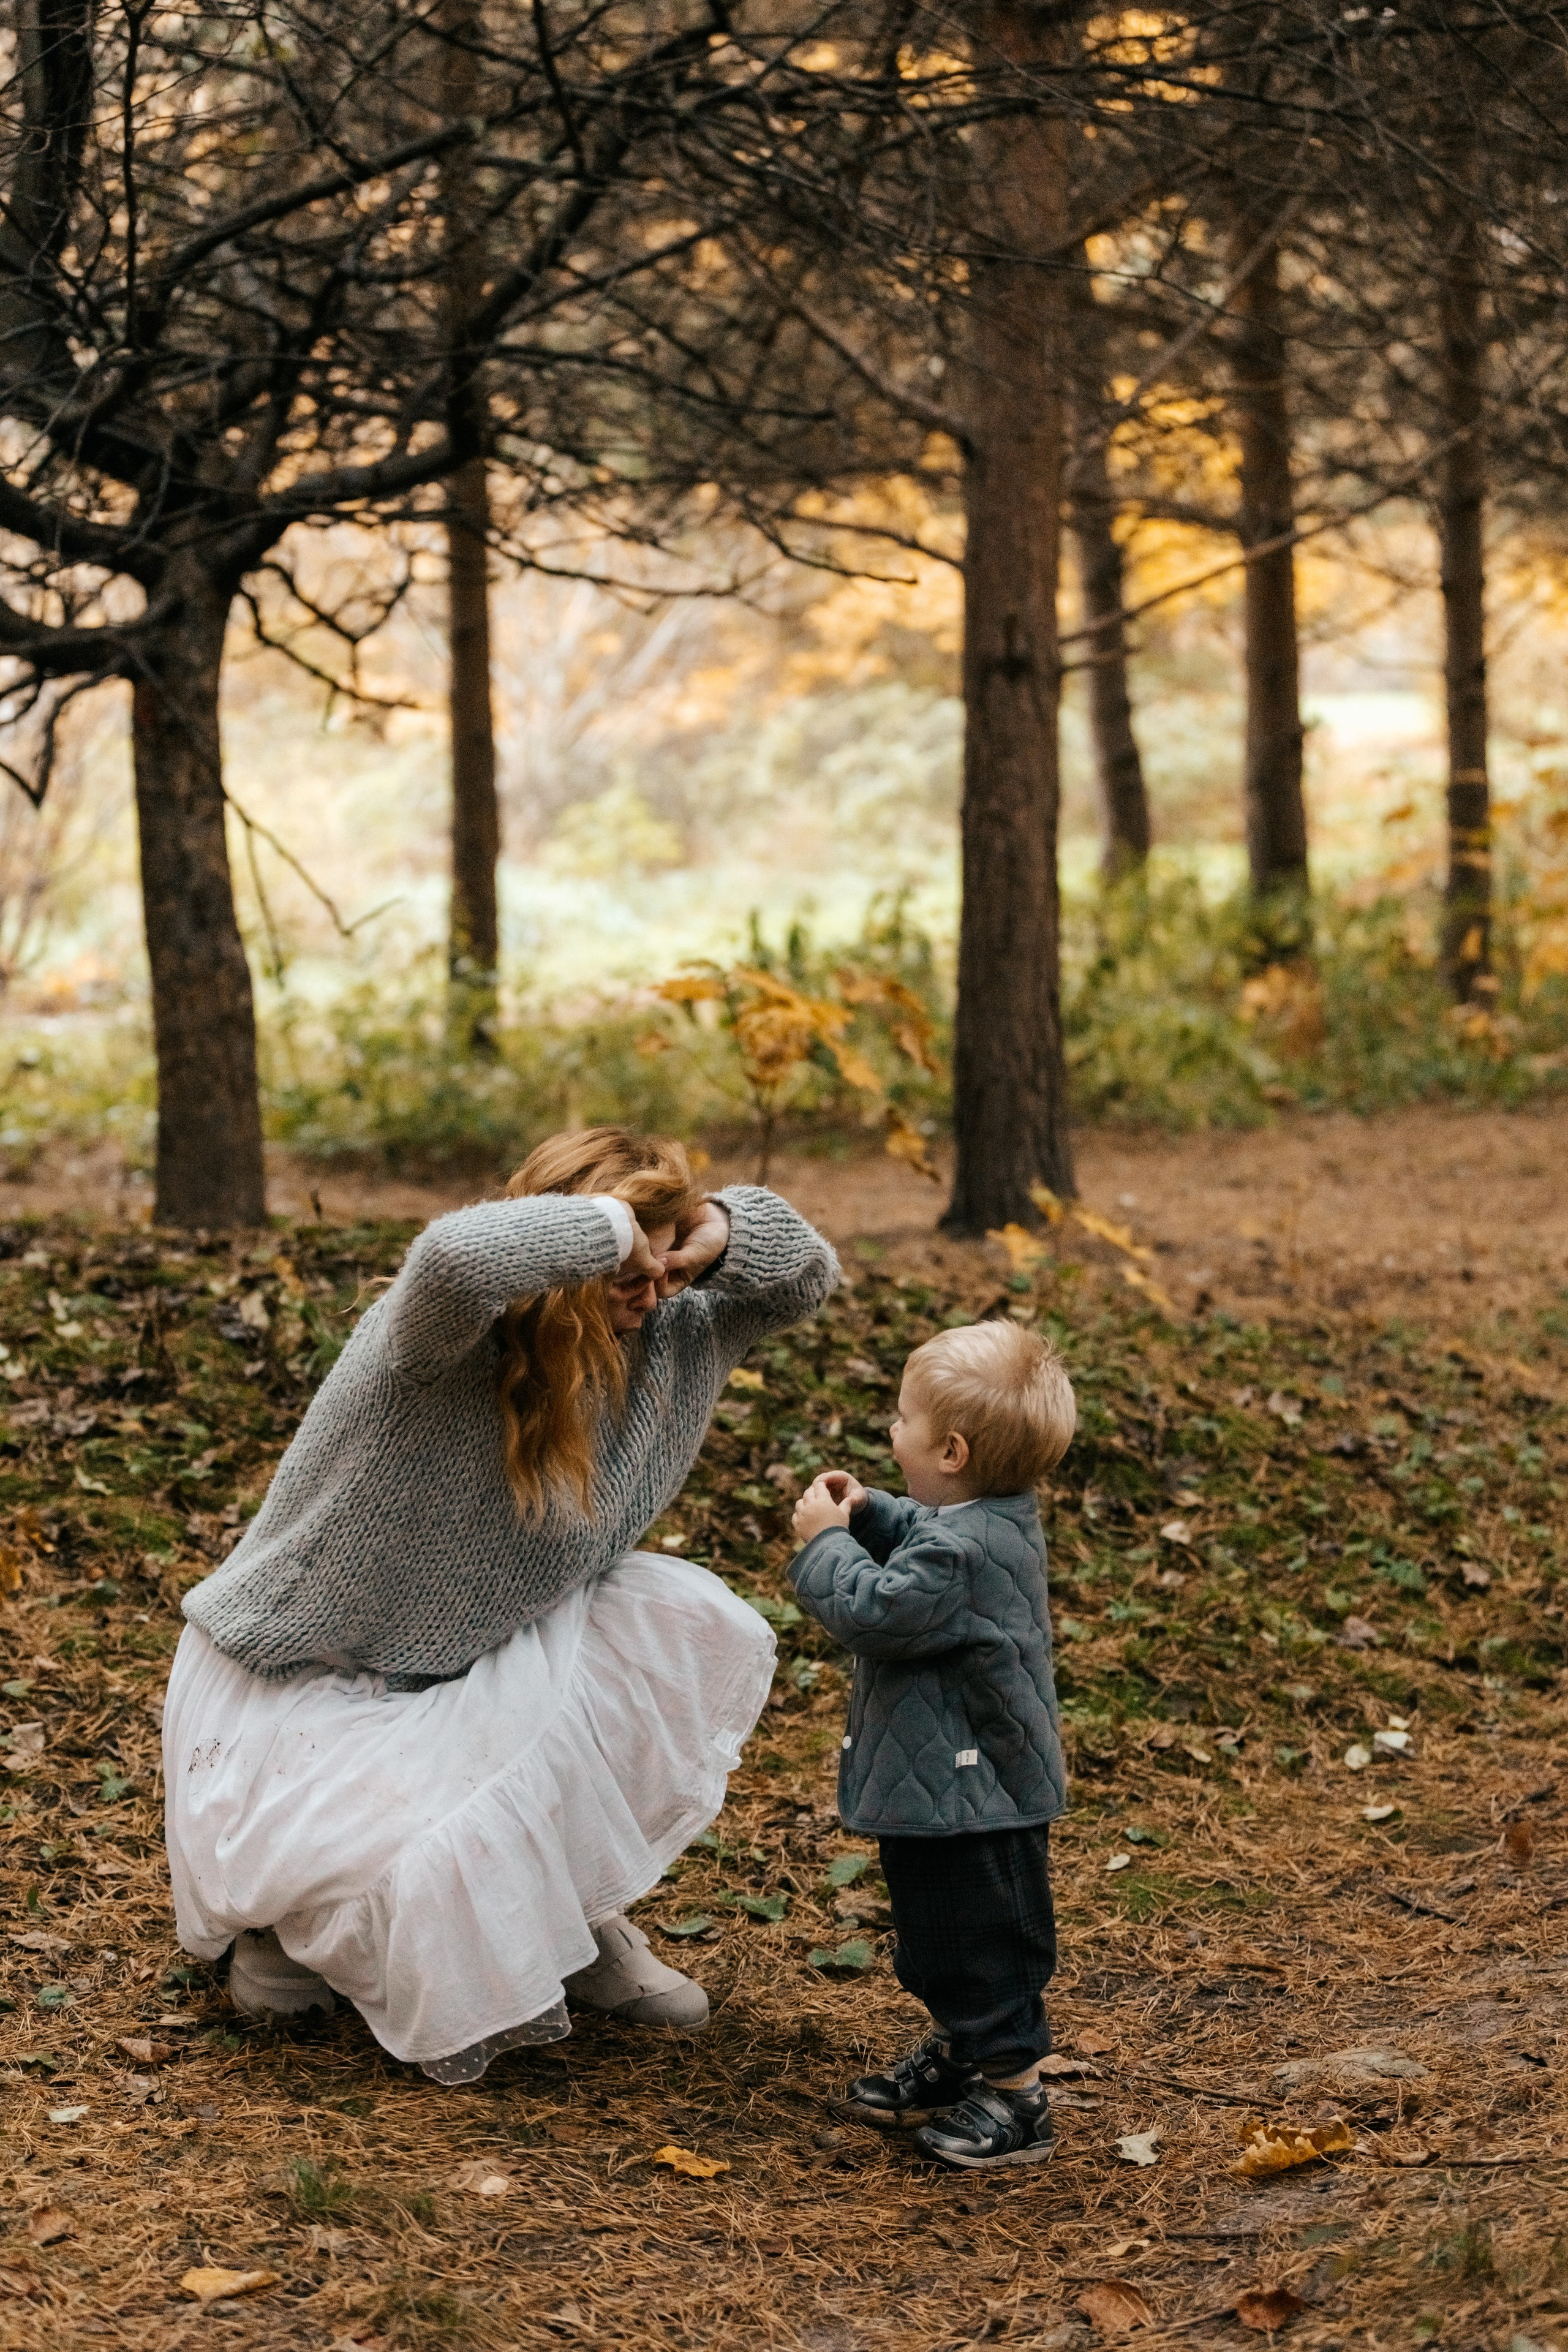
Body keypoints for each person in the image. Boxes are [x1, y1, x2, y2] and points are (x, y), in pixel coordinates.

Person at [163, 1128, 837, 2085]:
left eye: (662, 1262)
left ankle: (571, 1916)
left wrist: (717, 1230)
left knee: (685, 1618)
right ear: (563, 1253)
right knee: (371, 1832)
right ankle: (287, 1927)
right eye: (625, 1269)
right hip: (301, 1671)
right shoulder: (440, 1335)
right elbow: (451, 1255)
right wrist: (609, 1228)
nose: (650, 1293)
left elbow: (807, 1274)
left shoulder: (678, 1324)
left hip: (487, 1641)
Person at [788, 1317, 1076, 2170]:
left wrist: (826, 1545)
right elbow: (926, 1533)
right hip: (947, 1788)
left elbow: (874, 1612)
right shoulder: (985, 1519)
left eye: (904, 1421)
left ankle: (1017, 2095)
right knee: (937, 1932)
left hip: (974, 1793)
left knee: (984, 1941)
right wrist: (875, 1514)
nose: (890, 1430)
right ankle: (962, 2056)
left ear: (950, 1450)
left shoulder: (958, 1554)